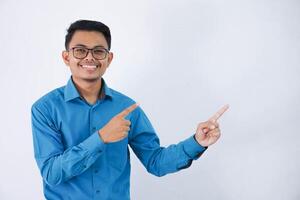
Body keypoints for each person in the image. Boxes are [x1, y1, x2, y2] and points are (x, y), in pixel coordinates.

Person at [31, 19, 229, 200]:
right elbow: (51, 173)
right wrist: (100, 138)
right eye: (80, 50)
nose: (90, 57)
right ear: (66, 57)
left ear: (109, 59)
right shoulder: (45, 109)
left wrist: (196, 142)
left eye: (99, 51)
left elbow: (156, 162)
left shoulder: (126, 108)